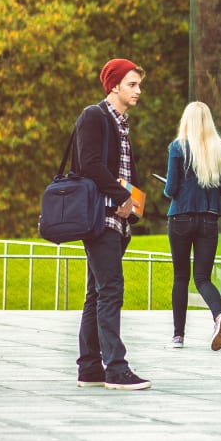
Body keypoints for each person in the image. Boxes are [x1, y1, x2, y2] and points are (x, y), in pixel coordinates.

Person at [74, 58, 151, 391]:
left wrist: (131, 204)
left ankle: (90, 367)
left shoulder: (121, 125)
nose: (138, 91)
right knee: (111, 289)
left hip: (117, 220)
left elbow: (121, 171)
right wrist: (121, 196)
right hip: (99, 218)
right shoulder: (95, 116)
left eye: (139, 85)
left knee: (96, 292)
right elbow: (88, 163)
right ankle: (116, 368)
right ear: (114, 85)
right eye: (132, 84)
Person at [164, 101, 221, 351]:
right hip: (209, 218)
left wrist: (176, 187)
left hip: (181, 217)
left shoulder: (177, 147)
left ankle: (178, 336)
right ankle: (218, 315)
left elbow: (170, 189)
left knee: (181, 276)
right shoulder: (219, 148)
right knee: (203, 277)